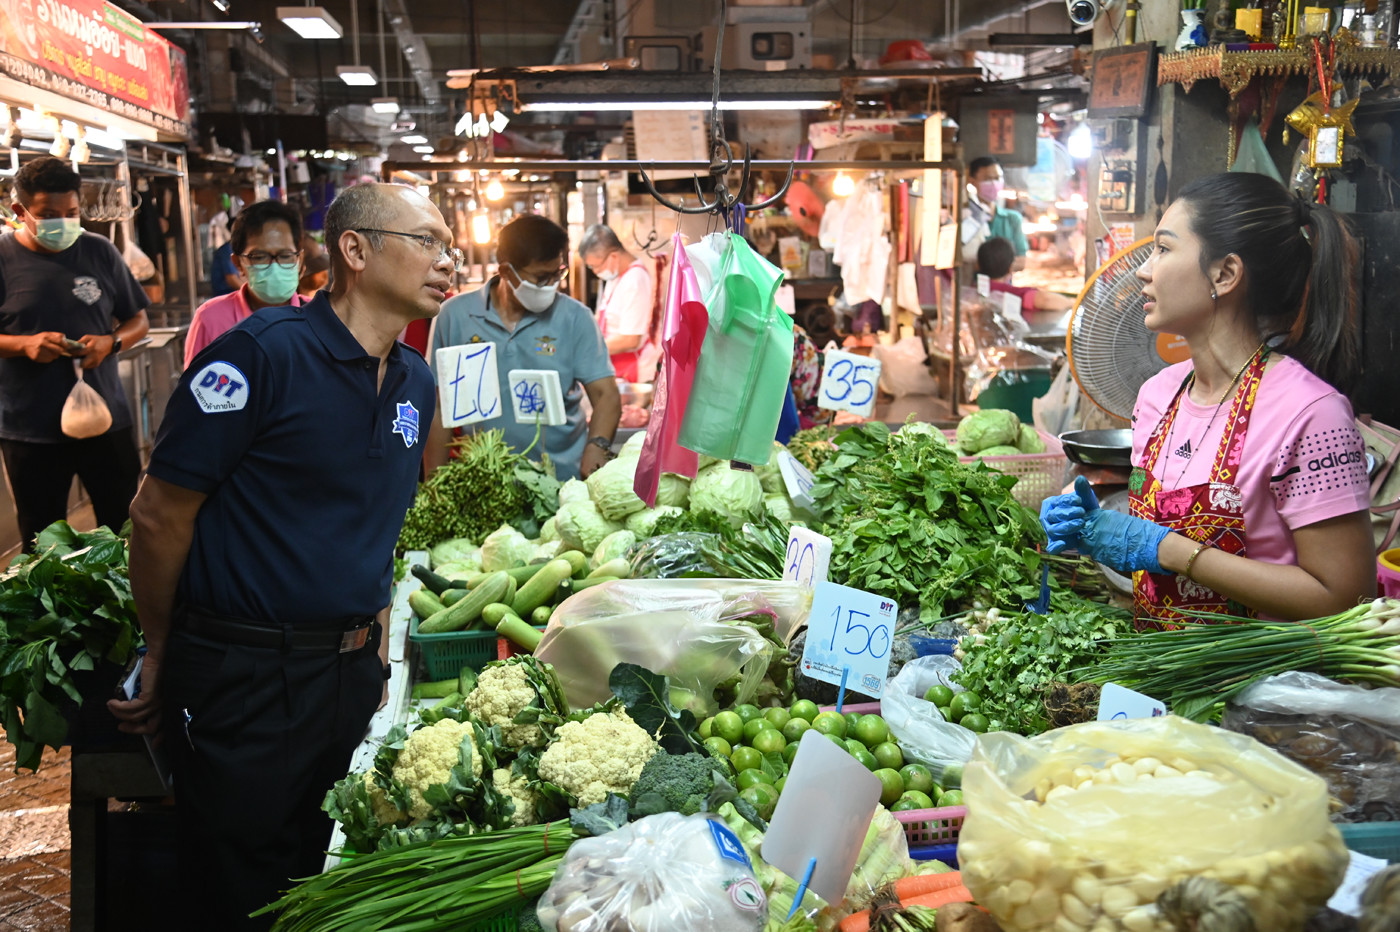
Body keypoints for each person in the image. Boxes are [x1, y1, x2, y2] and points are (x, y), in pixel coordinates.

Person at [107, 183, 450, 928]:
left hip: (348, 678)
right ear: (355, 250)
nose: (446, 261)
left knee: (324, 876)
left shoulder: (417, 383)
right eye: (427, 241)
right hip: (245, 679)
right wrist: (161, 651)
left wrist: (377, 629)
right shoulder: (256, 359)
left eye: (446, 246)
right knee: (238, 889)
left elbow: (382, 518)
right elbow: (159, 515)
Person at [1040, 172, 1374, 627]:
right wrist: (1098, 536)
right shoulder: (1157, 397)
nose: (1143, 268)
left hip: (1261, 685)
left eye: (1163, 248)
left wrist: (1170, 550)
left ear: (1225, 273)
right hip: (1159, 675)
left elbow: (1345, 597)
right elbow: (1154, 567)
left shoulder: (1311, 414)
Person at [0, 156, 150, 551]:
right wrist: (23, 344)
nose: (63, 224)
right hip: (30, 429)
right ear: (20, 211)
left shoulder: (98, 251)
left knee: (123, 529)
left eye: (71, 213)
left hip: (106, 421)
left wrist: (111, 342)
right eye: (49, 215)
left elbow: (138, 321)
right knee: (43, 542)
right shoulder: (3, 259)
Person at [426, 214, 619, 480]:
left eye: (557, 274)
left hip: (561, 482)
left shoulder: (575, 318)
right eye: (541, 278)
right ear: (506, 271)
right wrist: (436, 482)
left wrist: (597, 446)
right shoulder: (454, 316)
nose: (551, 285)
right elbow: (438, 406)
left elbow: (606, 395)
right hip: (485, 483)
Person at [183, 199, 307, 368]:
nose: (274, 266)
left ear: (299, 259)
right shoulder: (210, 319)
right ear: (238, 264)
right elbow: (195, 390)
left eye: (285, 256)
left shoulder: (321, 318)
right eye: (260, 257)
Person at [579, 224, 660, 383]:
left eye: (596, 266)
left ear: (613, 256)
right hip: (617, 367)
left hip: (634, 371)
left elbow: (631, 339)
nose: (595, 272)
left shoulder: (636, 279)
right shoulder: (615, 278)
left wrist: (588, 349)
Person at [963, 157, 1028, 270]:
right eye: (987, 179)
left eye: (998, 178)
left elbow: (1021, 262)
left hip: (1002, 287)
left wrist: (983, 266)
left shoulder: (1012, 219)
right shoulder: (965, 218)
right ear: (972, 181)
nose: (994, 183)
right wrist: (1003, 266)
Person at [976, 237, 1072, 313]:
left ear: (978, 265)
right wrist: (1071, 303)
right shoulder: (1012, 293)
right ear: (1010, 267)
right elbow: (1045, 299)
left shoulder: (974, 289)